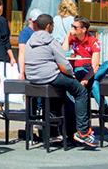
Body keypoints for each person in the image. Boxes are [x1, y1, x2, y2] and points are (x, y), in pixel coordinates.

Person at [24, 13, 96, 147]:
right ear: (48, 26)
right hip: (50, 76)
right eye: (52, 25)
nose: (53, 28)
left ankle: (53, 133)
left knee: (58, 96)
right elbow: (64, 63)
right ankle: (83, 132)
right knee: (81, 91)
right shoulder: (51, 41)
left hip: (33, 78)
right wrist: (71, 75)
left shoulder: (29, 41)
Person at [63, 15, 108, 114]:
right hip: (77, 69)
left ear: (84, 29)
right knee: (94, 83)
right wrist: (67, 35)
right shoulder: (72, 38)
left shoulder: (93, 41)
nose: (72, 29)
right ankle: (106, 111)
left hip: (90, 69)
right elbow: (63, 52)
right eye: (72, 26)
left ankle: (91, 79)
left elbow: (95, 66)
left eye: (75, 27)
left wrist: (86, 79)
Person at [18, 8, 42, 79]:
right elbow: (22, 52)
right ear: (30, 20)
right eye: (35, 21)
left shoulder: (41, 32)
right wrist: (22, 72)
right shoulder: (25, 32)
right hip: (30, 68)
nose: (37, 23)